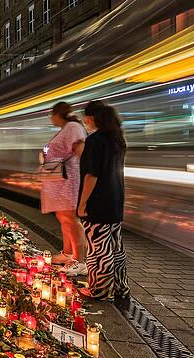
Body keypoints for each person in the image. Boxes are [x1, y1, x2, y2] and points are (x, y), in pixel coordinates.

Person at [77, 101, 129, 304]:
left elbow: (91, 175)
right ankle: (120, 288)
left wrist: (82, 204)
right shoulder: (117, 139)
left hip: (97, 202)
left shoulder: (95, 141)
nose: (84, 121)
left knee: (98, 249)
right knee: (116, 249)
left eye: (86, 117)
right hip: (115, 201)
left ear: (93, 118)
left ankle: (99, 290)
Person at [40, 101, 86, 275]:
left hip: (68, 181)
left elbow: (80, 152)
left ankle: (79, 260)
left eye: (51, 114)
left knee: (71, 218)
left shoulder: (73, 127)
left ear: (58, 114)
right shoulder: (66, 128)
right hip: (59, 182)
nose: (51, 118)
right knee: (63, 216)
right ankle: (67, 253)